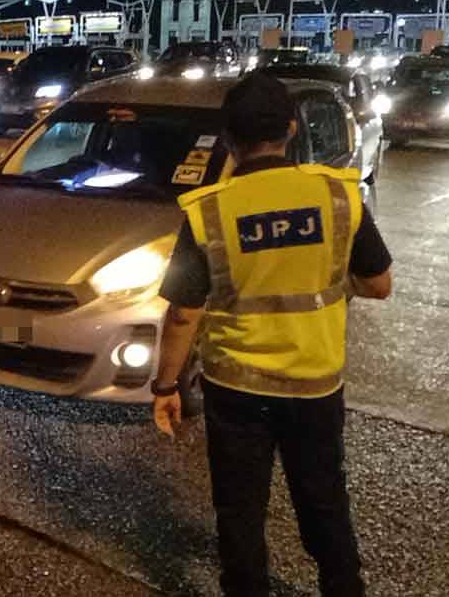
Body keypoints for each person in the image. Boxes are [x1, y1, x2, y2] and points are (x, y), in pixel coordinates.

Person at [152, 72, 392, 597]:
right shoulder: (338, 196)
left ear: (228, 138)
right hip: (315, 384)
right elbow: (379, 285)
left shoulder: (209, 210)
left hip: (236, 389)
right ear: (292, 128)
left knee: (239, 510)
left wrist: (166, 386)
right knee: (324, 500)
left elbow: (184, 314)